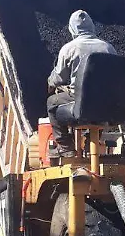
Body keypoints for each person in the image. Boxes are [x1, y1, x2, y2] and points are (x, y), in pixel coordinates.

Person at [45, 10, 115, 151]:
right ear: (92, 27)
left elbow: (59, 78)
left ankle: (66, 147)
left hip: (78, 101)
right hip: (105, 103)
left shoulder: (69, 49)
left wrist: (50, 83)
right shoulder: (108, 47)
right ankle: (91, 143)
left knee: (52, 102)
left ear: (72, 29)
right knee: (96, 110)